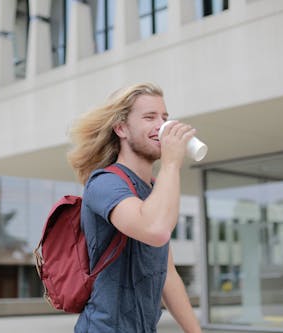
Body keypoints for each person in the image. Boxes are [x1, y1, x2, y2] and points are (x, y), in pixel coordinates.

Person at [68, 82, 202, 333]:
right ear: (121, 129)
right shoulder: (104, 183)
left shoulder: (154, 190)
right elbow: (154, 229)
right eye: (150, 117)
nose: (162, 126)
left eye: (164, 117)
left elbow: (168, 275)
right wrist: (171, 164)